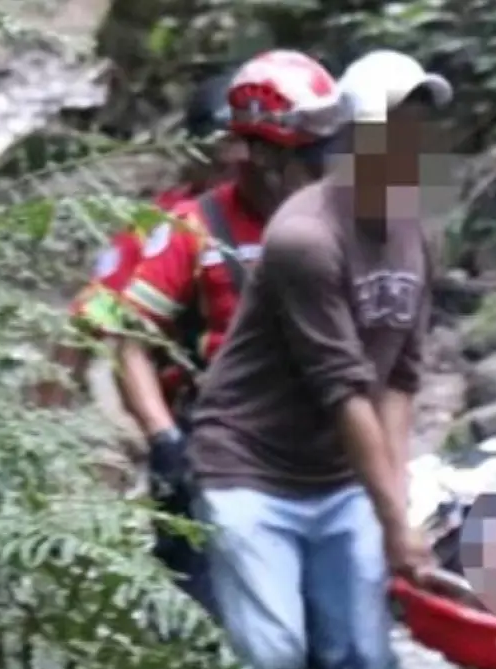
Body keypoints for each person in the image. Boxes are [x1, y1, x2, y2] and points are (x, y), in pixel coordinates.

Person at [185, 49, 452, 669]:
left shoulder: (421, 233)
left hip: (342, 478)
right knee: (276, 659)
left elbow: (399, 374)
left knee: (365, 666)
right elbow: (341, 387)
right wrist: (396, 521)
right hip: (248, 467)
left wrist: (396, 505)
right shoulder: (303, 237)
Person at [115, 50, 351, 614]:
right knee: (206, 609)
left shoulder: (339, 217)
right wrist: (162, 437)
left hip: (315, 442)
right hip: (211, 442)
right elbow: (124, 336)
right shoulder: (184, 227)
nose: (233, 158)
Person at [38, 68, 246, 410]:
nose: (239, 176)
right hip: (194, 406)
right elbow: (89, 315)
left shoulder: (303, 209)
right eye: (222, 163)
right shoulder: (160, 227)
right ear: (194, 158)